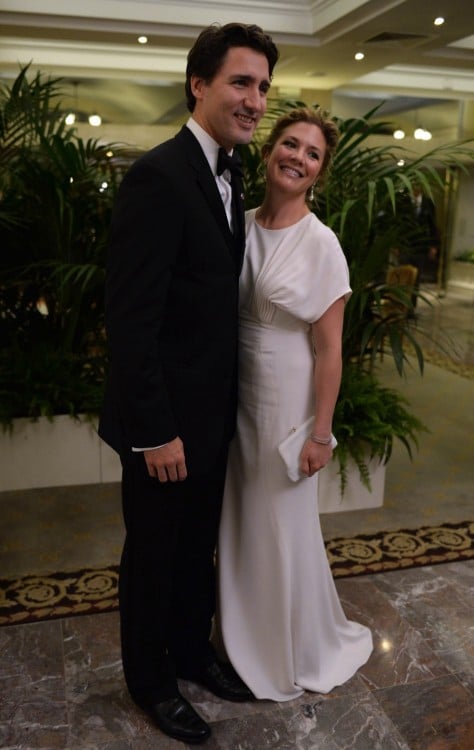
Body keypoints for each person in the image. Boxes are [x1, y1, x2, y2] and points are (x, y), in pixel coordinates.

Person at [98, 22, 279, 744]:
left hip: (210, 417)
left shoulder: (231, 172)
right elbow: (131, 321)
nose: (256, 100)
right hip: (162, 422)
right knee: (153, 554)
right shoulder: (159, 175)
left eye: (264, 86)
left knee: (196, 544)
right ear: (198, 84)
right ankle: (150, 680)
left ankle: (193, 653)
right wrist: (154, 430)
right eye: (241, 82)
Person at [217, 107, 373, 701]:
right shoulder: (239, 223)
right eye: (290, 144)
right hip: (234, 394)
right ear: (267, 151)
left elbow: (331, 350)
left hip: (288, 396)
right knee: (241, 523)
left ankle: (287, 649)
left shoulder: (322, 243)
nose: (298, 157)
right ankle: (237, 638)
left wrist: (320, 433)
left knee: (281, 524)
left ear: (318, 175)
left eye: (312, 154)